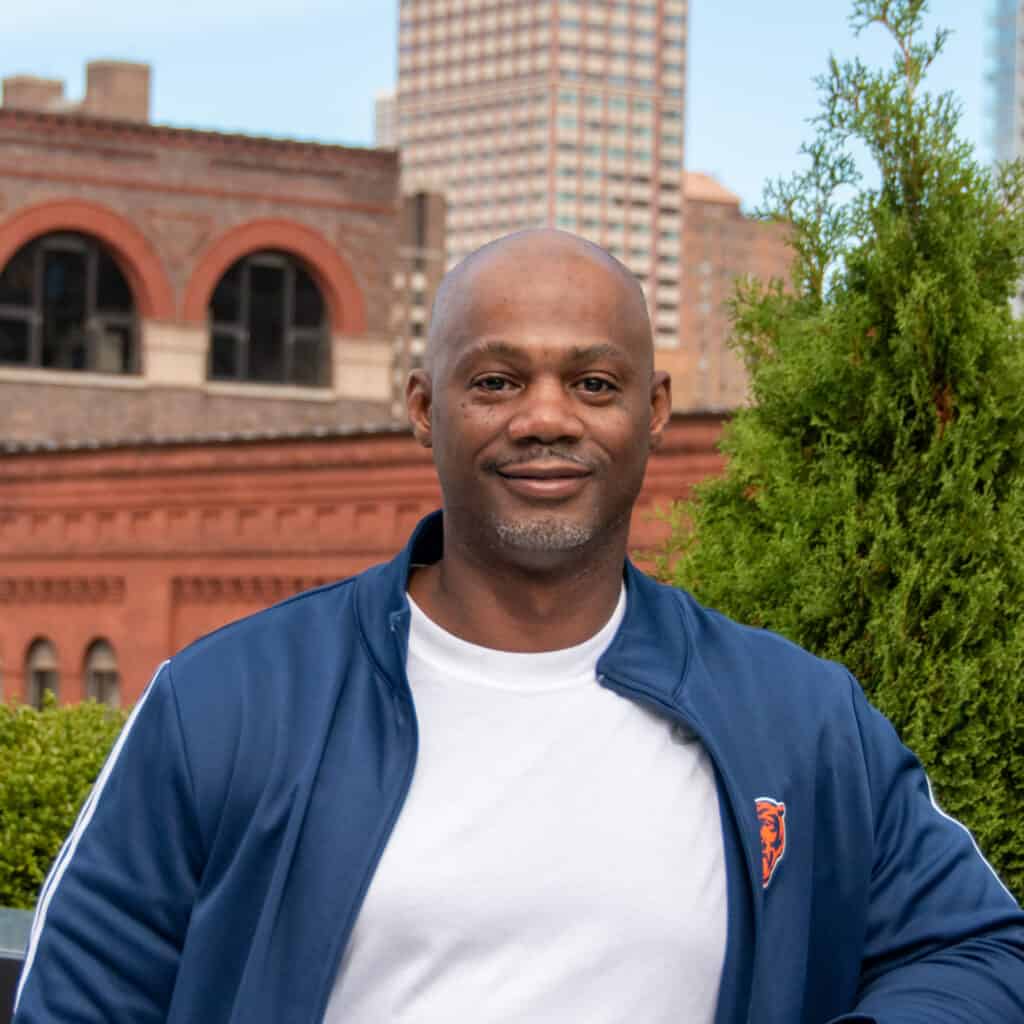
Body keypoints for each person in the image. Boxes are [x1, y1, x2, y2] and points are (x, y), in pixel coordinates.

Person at [13, 230, 1024, 1023]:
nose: (546, 416)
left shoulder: (794, 721)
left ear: (655, 407)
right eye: (496, 380)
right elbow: (79, 1001)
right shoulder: (229, 701)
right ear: (422, 404)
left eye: (592, 382)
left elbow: (981, 952)